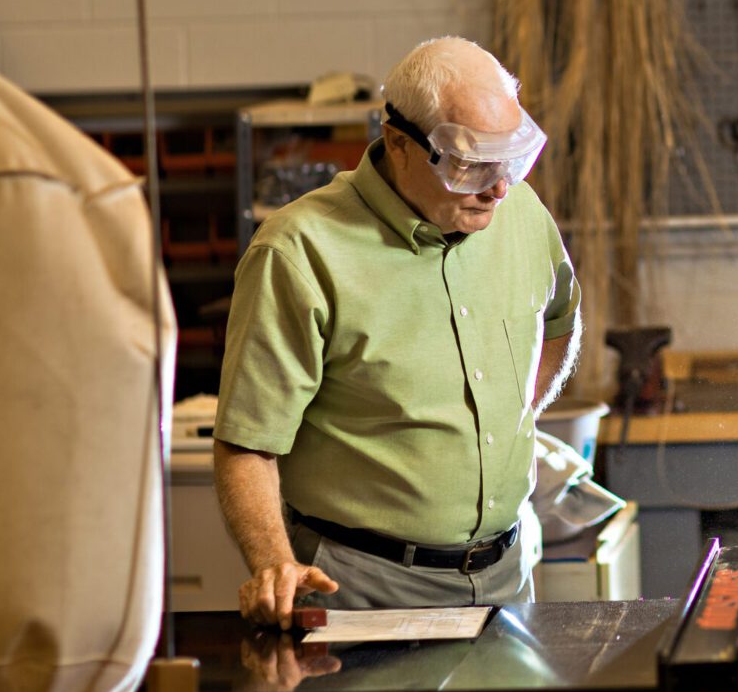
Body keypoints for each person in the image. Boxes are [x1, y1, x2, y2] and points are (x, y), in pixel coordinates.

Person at [214, 36, 581, 630]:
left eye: (511, 158)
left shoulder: (522, 216)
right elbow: (246, 443)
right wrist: (275, 563)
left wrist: (501, 422)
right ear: (400, 144)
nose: (498, 188)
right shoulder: (300, 251)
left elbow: (561, 319)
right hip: (362, 586)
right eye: (471, 164)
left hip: (508, 575)